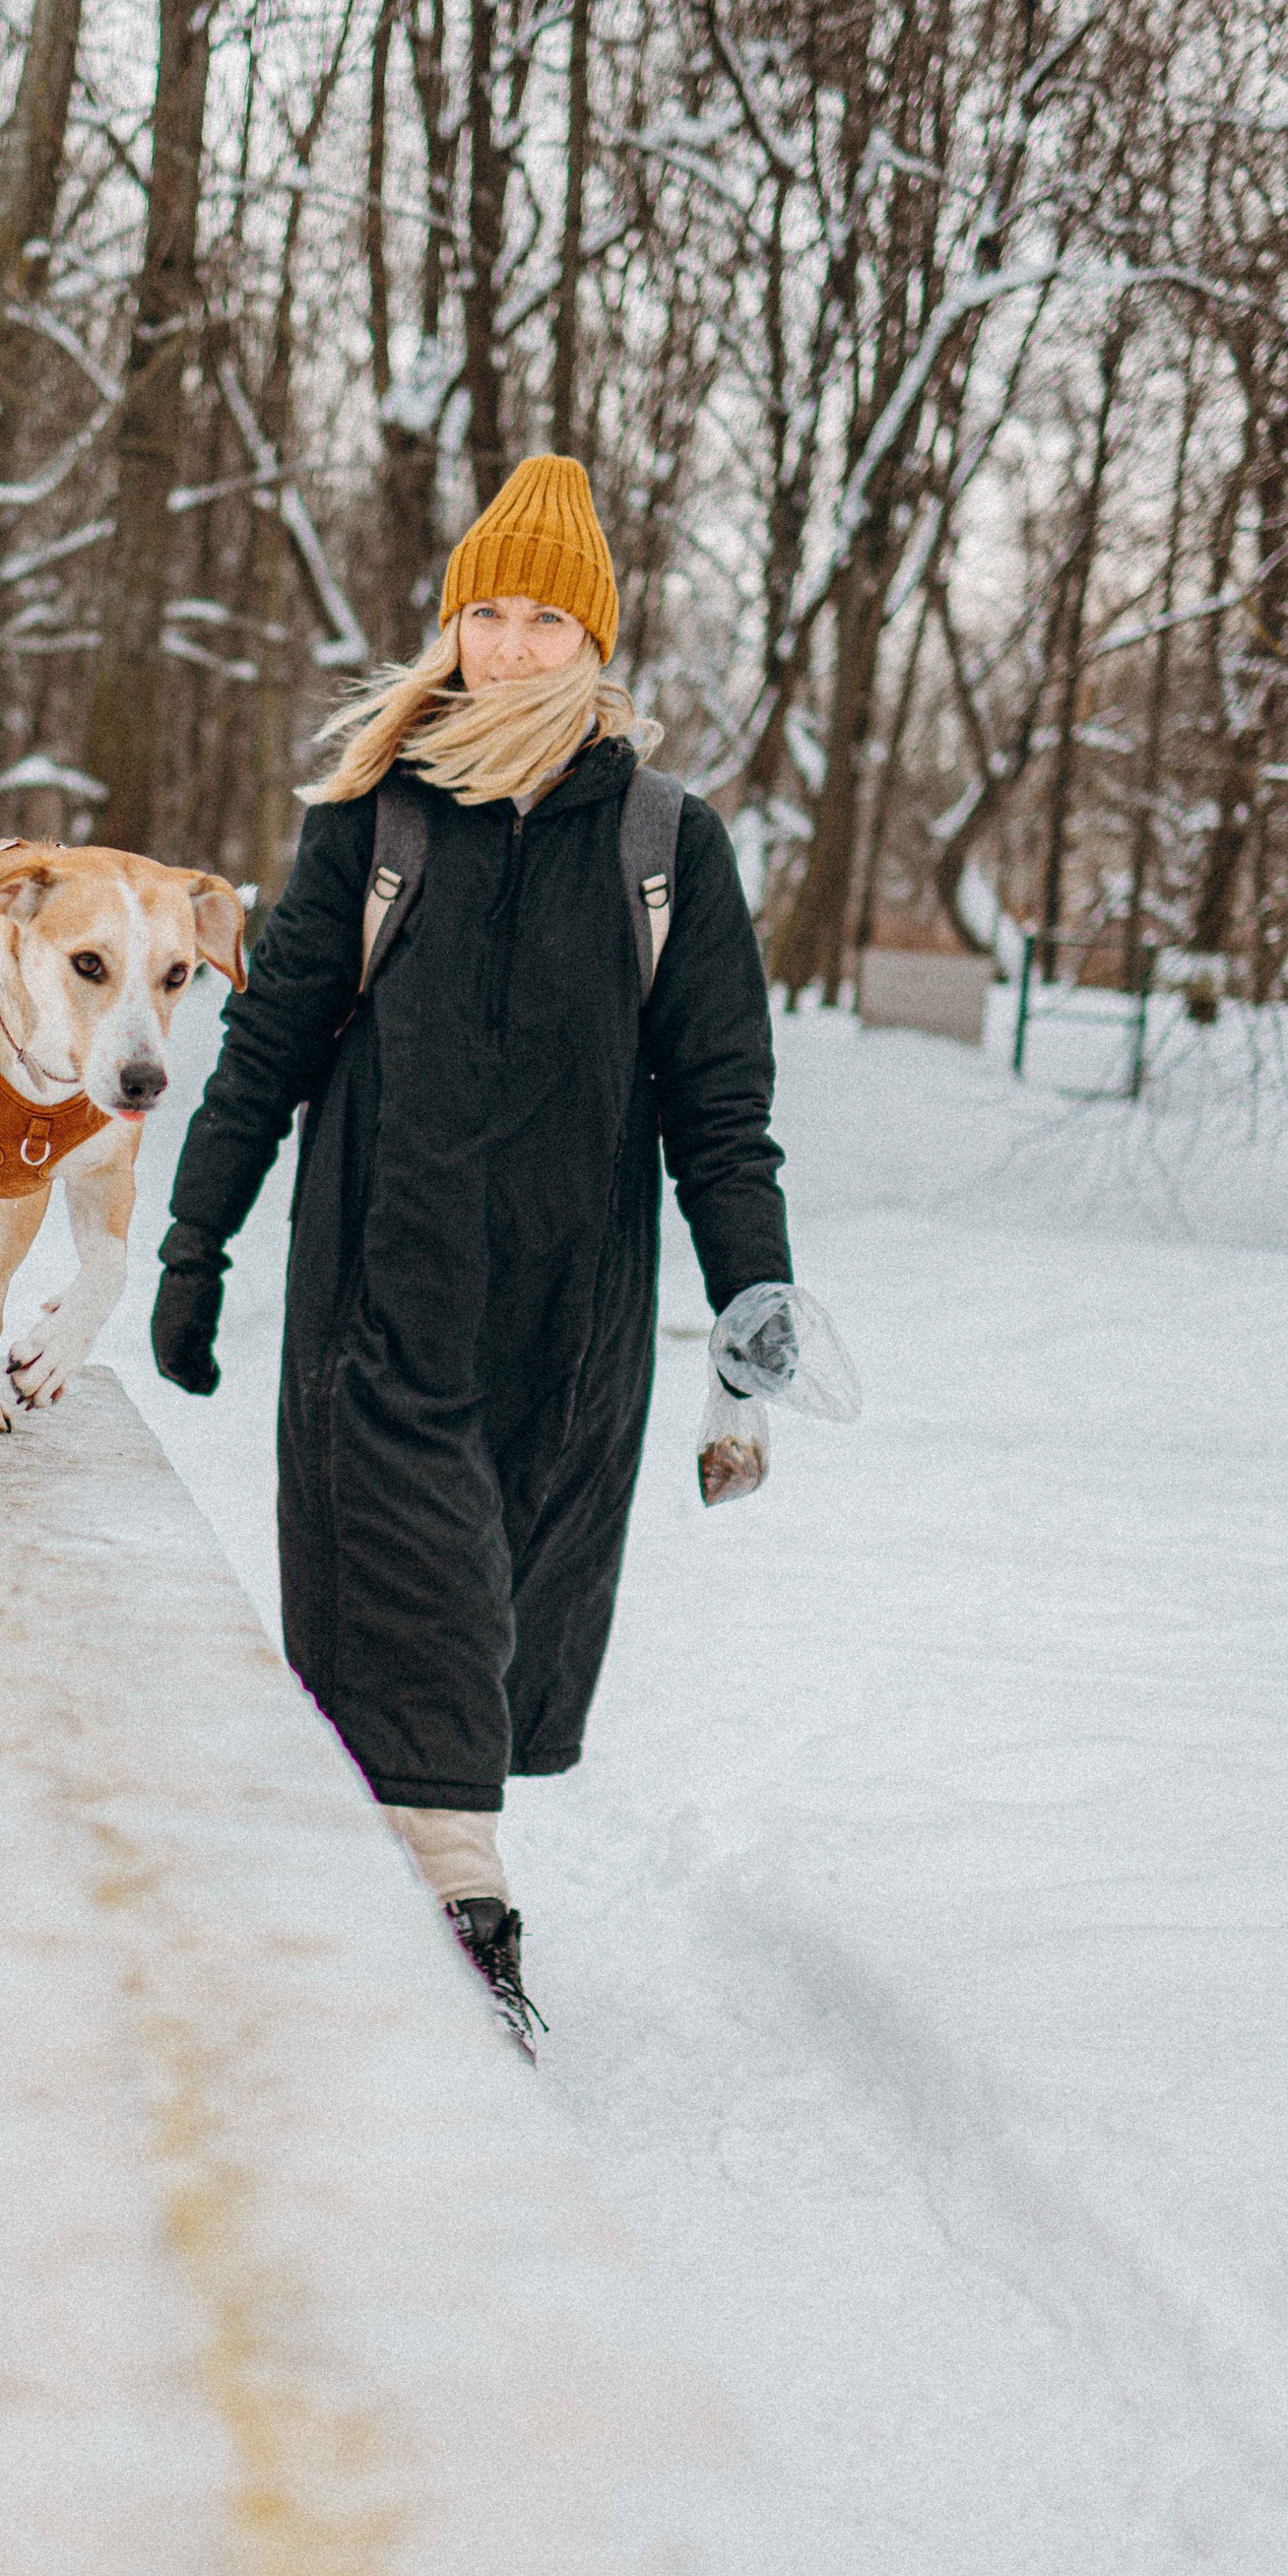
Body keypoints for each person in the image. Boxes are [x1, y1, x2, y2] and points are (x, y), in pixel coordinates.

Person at [151, 454, 796, 2050]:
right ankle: (461, 1938)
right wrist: (195, 1237)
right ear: (450, 624)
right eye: (484, 612)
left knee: (474, 1642)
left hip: (570, 1331)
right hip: (381, 1300)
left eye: (542, 616)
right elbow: (270, 1043)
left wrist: (755, 1291)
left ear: (596, 639)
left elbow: (721, 1100)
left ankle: (360, 1933)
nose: (508, 644)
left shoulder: (665, 844)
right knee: (421, 1600)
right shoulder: (377, 817)